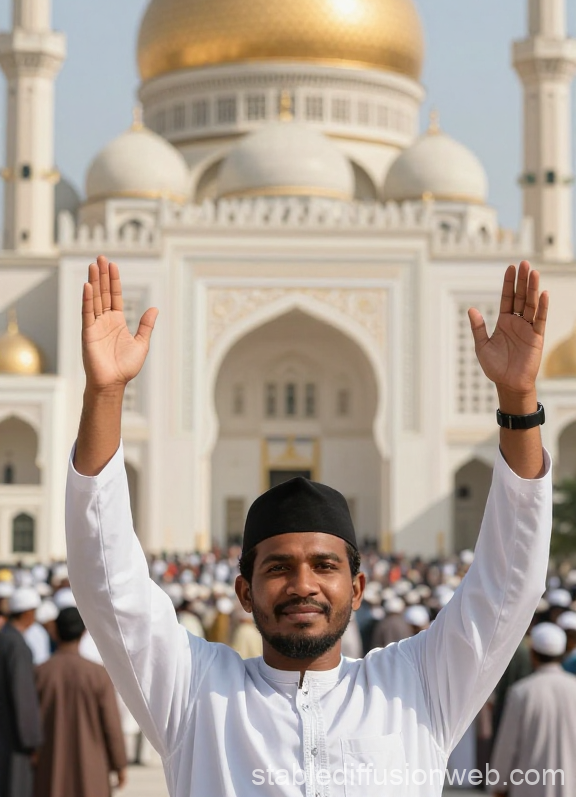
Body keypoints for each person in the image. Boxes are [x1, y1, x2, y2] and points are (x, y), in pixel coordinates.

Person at [66, 257, 552, 797]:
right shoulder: (196, 694)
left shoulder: (416, 686)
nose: (304, 585)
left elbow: (509, 585)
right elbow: (107, 583)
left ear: (358, 586)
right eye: (279, 567)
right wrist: (105, 396)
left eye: (325, 565)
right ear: (245, 592)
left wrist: (517, 402)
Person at [34, 607, 127, 797]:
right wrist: (120, 764)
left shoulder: (40, 673)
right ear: (84, 632)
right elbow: (111, 725)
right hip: (91, 766)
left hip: (50, 764)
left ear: (55, 631)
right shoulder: (97, 675)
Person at [490, 622, 576, 796]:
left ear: (533, 654)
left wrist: (499, 784)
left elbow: (507, 745)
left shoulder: (521, 692)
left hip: (530, 785)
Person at [0, 589, 43, 797]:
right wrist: (32, 740)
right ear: (28, 613)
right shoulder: (16, 645)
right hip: (14, 740)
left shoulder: (6, 638)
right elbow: (23, 697)